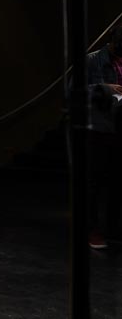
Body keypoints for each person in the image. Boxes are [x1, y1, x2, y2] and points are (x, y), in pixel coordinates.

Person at [85, 24, 122, 249]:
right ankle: (93, 230)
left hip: (120, 128)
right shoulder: (92, 60)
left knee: (117, 182)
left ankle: (113, 228)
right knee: (94, 182)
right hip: (98, 129)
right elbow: (73, 91)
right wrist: (104, 88)